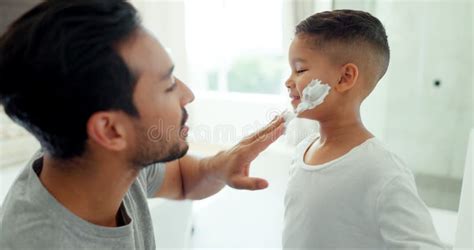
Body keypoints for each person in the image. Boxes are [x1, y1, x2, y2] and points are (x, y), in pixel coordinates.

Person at [0, 1, 284, 249]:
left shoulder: (96, 160)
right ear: (110, 130)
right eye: (169, 85)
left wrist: (220, 166)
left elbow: (184, 180)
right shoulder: (36, 243)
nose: (188, 95)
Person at [283, 9, 446, 249]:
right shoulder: (302, 151)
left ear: (345, 77)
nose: (288, 81)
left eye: (300, 70)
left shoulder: (382, 171)